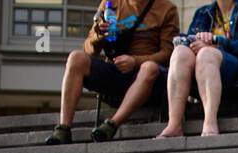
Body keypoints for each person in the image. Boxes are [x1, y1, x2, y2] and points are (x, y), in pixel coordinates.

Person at [45, 0, 180, 144]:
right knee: (76, 58)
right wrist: (99, 35)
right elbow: (88, 49)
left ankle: (111, 125)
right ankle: (63, 129)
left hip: (148, 78)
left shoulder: (166, 8)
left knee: (149, 68)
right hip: (115, 72)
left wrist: (135, 61)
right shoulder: (110, 4)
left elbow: (169, 53)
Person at [158, 0, 238, 138]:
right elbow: (191, 41)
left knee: (206, 53)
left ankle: (210, 123)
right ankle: (174, 124)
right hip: (203, 71)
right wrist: (192, 42)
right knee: (180, 52)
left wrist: (217, 42)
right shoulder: (202, 13)